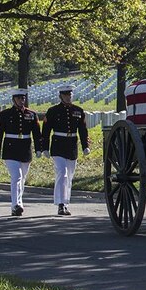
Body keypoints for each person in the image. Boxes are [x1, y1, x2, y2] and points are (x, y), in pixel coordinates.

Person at [40, 84, 90, 216]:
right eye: (65, 95)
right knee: (62, 174)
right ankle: (60, 204)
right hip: (58, 145)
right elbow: (46, 131)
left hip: (72, 145)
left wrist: (85, 146)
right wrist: (44, 147)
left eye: (70, 95)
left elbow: (83, 130)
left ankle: (66, 203)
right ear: (60, 96)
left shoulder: (78, 110)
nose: (68, 97)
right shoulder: (53, 111)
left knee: (70, 177)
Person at [0, 87, 42, 217]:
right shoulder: (5, 114)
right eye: (19, 98)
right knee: (16, 176)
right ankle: (15, 205)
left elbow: (37, 134)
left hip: (25, 149)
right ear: (14, 99)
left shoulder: (31, 114)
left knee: (22, 178)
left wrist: (38, 149)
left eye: (23, 98)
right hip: (11, 149)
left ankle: (19, 202)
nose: (22, 100)